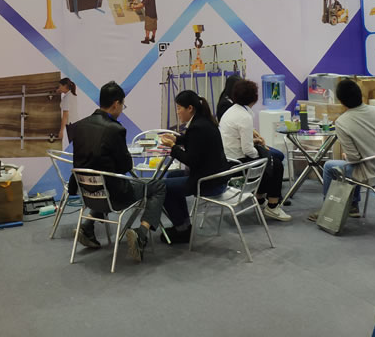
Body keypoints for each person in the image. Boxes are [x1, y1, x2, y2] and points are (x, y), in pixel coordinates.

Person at [70, 81, 166, 262]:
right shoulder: (115, 129)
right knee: (158, 186)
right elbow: (126, 166)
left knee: (105, 181)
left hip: (88, 195)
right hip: (115, 197)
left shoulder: (79, 126)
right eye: (123, 105)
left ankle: (88, 226)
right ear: (116, 104)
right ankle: (141, 234)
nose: (122, 109)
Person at [308, 78, 375, 222]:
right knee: (355, 165)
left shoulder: (342, 122)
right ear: (360, 94)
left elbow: (354, 158)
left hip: (373, 175)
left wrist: (348, 155)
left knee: (329, 166)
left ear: (341, 101)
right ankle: (352, 206)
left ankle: (328, 209)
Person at [159, 90, 230, 244]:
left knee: (162, 187)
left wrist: (173, 147)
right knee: (171, 176)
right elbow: (193, 141)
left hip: (208, 182)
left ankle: (181, 229)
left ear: (190, 108)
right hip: (215, 176)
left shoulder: (197, 127)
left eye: (179, 108)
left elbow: (191, 160)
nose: (177, 112)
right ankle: (184, 226)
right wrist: (176, 139)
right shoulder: (203, 122)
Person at [219, 80, 291, 222]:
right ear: (254, 97)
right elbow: (248, 151)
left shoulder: (231, 111)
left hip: (228, 159)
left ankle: (260, 199)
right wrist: (262, 154)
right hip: (236, 164)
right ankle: (272, 206)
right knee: (275, 164)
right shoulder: (244, 116)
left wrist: (256, 146)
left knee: (270, 159)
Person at [56, 77, 77, 145]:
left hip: (71, 125)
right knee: (76, 145)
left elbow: (65, 116)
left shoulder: (67, 98)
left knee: (74, 146)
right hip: (75, 124)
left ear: (65, 86)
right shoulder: (71, 94)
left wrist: (61, 131)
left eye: (60, 86)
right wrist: (60, 91)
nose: (59, 88)